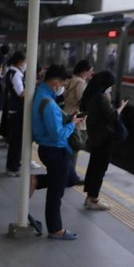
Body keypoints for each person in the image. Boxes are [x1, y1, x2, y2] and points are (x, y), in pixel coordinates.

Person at [30, 65, 85, 240]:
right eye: (62, 84)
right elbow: (57, 135)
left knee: (70, 179)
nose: (62, 87)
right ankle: (55, 229)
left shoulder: (41, 95)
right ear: (55, 82)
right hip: (54, 149)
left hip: (51, 149)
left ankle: (37, 180)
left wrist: (69, 119)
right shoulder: (48, 103)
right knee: (56, 192)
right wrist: (72, 125)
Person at [81, 70, 128, 211]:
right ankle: (93, 198)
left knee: (94, 166)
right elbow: (113, 116)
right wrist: (121, 106)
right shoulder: (100, 98)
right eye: (110, 85)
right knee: (100, 168)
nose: (111, 88)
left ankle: (90, 196)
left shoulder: (91, 95)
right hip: (104, 137)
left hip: (95, 136)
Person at [63, 60, 94, 177]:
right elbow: (84, 102)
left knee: (68, 146)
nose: (91, 73)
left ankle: (67, 172)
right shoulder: (80, 83)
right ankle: (71, 175)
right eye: (90, 71)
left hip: (66, 113)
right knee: (75, 146)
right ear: (84, 71)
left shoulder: (71, 80)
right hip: (76, 117)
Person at [4, 52, 27, 177]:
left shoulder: (12, 72)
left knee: (15, 140)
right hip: (17, 110)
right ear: (19, 62)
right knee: (16, 140)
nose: (25, 64)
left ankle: (13, 165)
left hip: (14, 109)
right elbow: (21, 93)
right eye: (25, 62)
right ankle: (13, 167)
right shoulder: (16, 74)